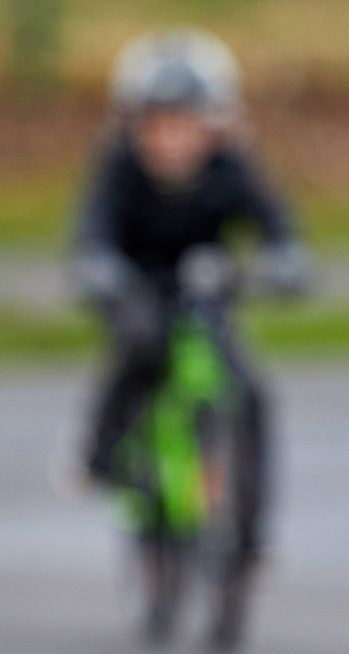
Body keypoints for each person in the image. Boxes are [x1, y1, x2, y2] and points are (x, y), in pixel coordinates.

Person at [68, 28, 310, 556]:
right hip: (137, 285)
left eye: (187, 126)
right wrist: (97, 267)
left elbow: (273, 220)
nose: (173, 141)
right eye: (159, 126)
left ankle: (248, 524)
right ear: (134, 126)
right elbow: (93, 228)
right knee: (138, 349)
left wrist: (286, 258)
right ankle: (101, 452)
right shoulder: (118, 168)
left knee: (248, 391)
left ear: (214, 126)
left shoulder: (233, 166)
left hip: (208, 289)